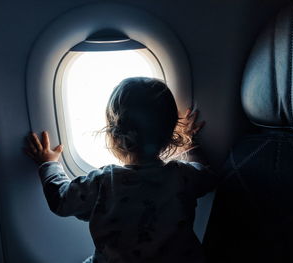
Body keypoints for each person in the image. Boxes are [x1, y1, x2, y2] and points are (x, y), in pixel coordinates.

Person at [25, 77, 219, 263]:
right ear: (171, 134)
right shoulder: (183, 176)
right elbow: (209, 176)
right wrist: (190, 145)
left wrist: (49, 162)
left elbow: (60, 200)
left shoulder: (104, 182)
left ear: (114, 134)